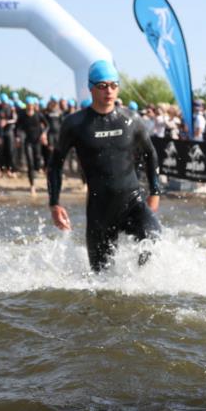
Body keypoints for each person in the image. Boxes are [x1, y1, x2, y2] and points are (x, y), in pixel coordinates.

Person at [47, 60, 162, 272]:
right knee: (101, 279)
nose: (109, 91)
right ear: (90, 88)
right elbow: (55, 164)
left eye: (113, 85)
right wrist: (54, 203)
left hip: (133, 203)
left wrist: (155, 192)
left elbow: (150, 154)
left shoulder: (131, 120)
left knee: (153, 239)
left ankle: (137, 287)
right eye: (102, 86)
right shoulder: (75, 124)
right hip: (100, 210)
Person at [19, 97, 48, 196]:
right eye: (28, 105)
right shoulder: (22, 115)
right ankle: (32, 187)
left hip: (37, 142)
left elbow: (47, 125)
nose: (30, 107)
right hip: (28, 142)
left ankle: (38, 171)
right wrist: (17, 137)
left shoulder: (38, 114)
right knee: (30, 164)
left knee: (37, 161)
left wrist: (44, 134)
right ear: (26, 105)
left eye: (31, 105)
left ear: (34, 106)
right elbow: (18, 127)